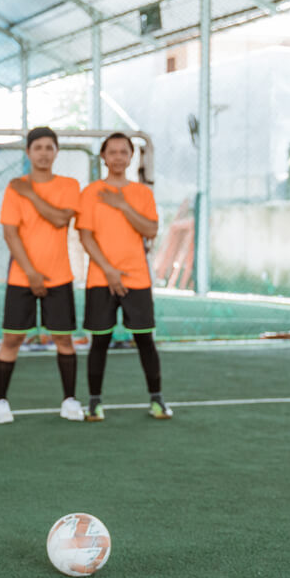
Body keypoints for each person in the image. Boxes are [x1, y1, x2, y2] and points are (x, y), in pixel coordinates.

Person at [77, 133, 171, 421]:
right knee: (100, 341)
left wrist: (123, 205)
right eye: (112, 152)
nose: (118, 157)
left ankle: (156, 400)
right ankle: (94, 403)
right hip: (101, 278)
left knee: (145, 340)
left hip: (137, 278)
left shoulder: (142, 194)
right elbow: (86, 236)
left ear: (131, 157)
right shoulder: (91, 192)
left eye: (123, 152)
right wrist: (109, 270)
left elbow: (151, 230)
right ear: (103, 157)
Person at [0, 126, 84, 424]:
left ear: (56, 152)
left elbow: (60, 220)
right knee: (12, 339)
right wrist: (31, 272)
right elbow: (10, 233)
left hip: (59, 276)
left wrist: (31, 193)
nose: (44, 153)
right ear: (28, 152)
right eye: (38, 147)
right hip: (22, 277)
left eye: (49, 147)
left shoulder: (69, 185)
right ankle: (1, 402)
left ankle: (70, 400)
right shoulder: (13, 187)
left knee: (64, 340)